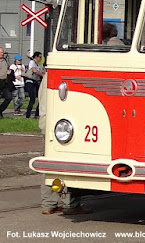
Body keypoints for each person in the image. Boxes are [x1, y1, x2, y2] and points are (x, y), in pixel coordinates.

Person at [39, 74, 93, 215]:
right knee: (70, 163)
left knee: (49, 164)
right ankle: (71, 204)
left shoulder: (47, 75)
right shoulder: (64, 74)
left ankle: (48, 204)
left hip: (50, 125)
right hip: (63, 127)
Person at [25, 51, 45, 119]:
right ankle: (28, 115)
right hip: (30, 82)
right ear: (36, 57)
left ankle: (37, 114)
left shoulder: (39, 64)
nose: (40, 58)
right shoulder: (32, 62)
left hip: (36, 83)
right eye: (40, 57)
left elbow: (43, 70)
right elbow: (34, 71)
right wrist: (42, 74)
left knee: (40, 98)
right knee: (32, 98)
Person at [0, 47, 12, 118]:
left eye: (3, 52)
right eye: (1, 52)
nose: (2, 54)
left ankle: (0, 110)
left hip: (4, 82)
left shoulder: (4, 60)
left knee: (9, 97)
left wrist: (9, 72)